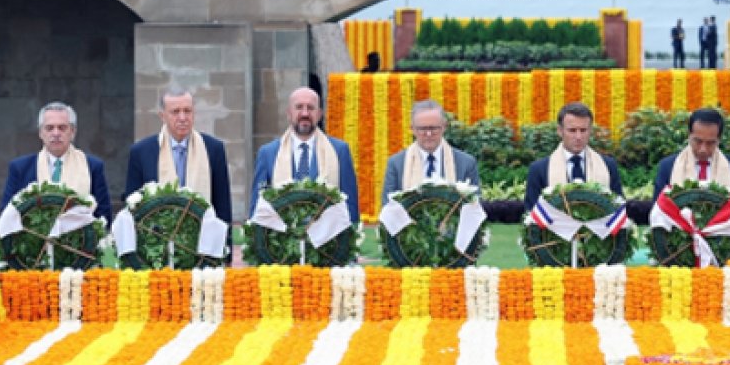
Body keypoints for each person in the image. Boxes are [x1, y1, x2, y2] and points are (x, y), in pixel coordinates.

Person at [124, 86, 233, 223]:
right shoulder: (141, 151)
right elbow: (132, 206)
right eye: (175, 112)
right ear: (162, 116)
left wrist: (225, 242)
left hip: (203, 237)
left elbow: (222, 205)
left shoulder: (213, 149)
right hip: (156, 237)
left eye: (187, 111)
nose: (183, 118)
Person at [252, 87, 360, 223]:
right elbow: (258, 207)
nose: (305, 113)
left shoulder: (339, 150)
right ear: (289, 113)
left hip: (327, 239)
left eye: (310, 108)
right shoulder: (268, 153)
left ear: (319, 114)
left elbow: (350, 206)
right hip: (282, 239)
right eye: (298, 107)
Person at [1, 102, 112, 222]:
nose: (56, 133)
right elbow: (6, 215)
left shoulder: (92, 166)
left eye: (62, 128)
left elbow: (104, 216)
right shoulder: (20, 168)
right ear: (40, 133)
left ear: (73, 132)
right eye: (49, 128)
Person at [524, 102, 623, 210]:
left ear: (590, 131)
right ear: (560, 131)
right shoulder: (540, 169)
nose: (578, 136)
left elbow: (619, 208)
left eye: (583, 130)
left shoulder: (608, 165)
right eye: (572, 130)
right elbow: (531, 214)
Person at [653, 107, 730, 213]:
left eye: (710, 143)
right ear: (689, 135)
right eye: (698, 141)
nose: (703, 149)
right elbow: (658, 211)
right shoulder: (668, 167)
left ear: (719, 139)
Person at [381, 100, 480, 205]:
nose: (428, 134)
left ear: (444, 127)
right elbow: (388, 207)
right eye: (422, 129)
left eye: (433, 128)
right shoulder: (396, 164)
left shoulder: (466, 163)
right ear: (412, 129)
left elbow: (474, 206)